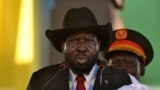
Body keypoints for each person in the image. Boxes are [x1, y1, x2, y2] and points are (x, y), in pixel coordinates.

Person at [27, 7, 132, 90]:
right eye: (74, 41)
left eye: (88, 40)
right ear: (63, 46)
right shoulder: (42, 80)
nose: (82, 48)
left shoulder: (119, 80)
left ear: (98, 45)